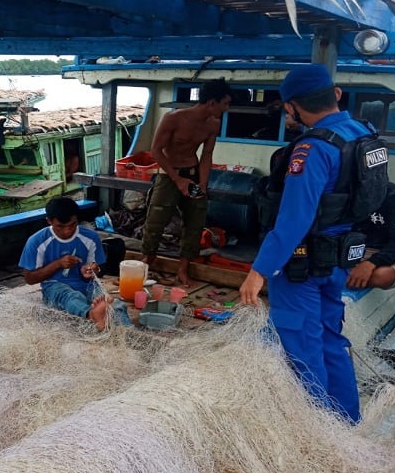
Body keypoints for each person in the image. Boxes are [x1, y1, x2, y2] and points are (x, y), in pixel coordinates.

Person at [239, 63, 377, 424]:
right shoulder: (362, 134)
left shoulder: (313, 149)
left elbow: (294, 219)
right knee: (331, 339)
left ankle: (313, 430)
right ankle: (347, 420)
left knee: (301, 346)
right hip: (339, 258)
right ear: (336, 94)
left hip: (302, 265)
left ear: (291, 107)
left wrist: (259, 272)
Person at [140, 78, 233, 287]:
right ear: (211, 102)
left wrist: (202, 183)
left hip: (193, 172)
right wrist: (177, 179)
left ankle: (183, 270)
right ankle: (146, 263)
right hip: (169, 175)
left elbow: (207, 154)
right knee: (156, 219)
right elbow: (156, 151)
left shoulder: (214, 124)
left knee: (195, 221)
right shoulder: (173, 118)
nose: (227, 108)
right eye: (224, 103)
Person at [19, 197, 109, 330]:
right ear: (49, 221)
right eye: (60, 226)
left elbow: (99, 267)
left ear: (77, 219)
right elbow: (29, 278)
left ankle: (128, 331)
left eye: (72, 225)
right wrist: (58, 264)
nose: (67, 231)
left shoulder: (90, 237)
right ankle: (92, 315)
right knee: (72, 297)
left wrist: (92, 269)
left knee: (112, 304)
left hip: (87, 285)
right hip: (54, 287)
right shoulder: (37, 241)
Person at [346, 182, 395, 290]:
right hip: (352, 247)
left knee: (381, 276)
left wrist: (371, 263)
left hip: (390, 251)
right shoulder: (343, 193)